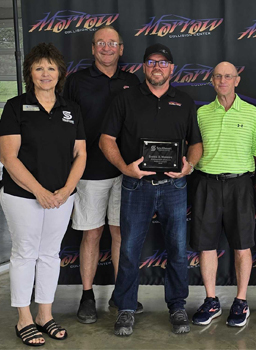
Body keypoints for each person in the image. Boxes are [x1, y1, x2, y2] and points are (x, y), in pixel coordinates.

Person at [99, 43, 203, 336]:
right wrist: (124, 167)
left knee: (178, 251)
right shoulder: (126, 99)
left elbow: (195, 143)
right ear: (143, 67)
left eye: (163, 62)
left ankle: (177, 305)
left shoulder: (184, 101)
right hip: (136, 185)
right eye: (151, 62)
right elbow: (106, 139)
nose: (157, 67)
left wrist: (189, 166)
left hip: (174, 186)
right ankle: (127, 308)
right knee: (130, 250)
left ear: (172, 68)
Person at [0, 43, 86, 346]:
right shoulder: (14, 106)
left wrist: (64, 191)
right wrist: (39, 191)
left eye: (51, 68)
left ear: (59, 73)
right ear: (30, 73)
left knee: (50, 255)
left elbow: (81, 154)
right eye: (39, 68)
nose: (45, 73)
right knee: (25, 254)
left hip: (62, 197)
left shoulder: (71, 109)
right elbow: (9, 157)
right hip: (23, 197)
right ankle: (24, 318)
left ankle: (44, 315)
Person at [63, 25, 141, 324]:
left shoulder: (132, 81)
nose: (107, 47)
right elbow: (65, 125)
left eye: (112, 43)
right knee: (92, 234)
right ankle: (87, 295)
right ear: (93, 48)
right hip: (88, 171)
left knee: (121, 234)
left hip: (127, 170)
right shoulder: (76, 81)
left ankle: (122, 296)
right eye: (100, 43)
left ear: (121, 49)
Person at [190, 61, 256, 328]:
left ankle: (241, 301)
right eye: (218, 76)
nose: (223, 80)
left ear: (237, 80)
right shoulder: (201, 114)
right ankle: (211, 300)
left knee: (242, 246)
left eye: (228, 76)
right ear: (212, 81)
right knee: (206, 245)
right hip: (206, 184)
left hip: (240, 185)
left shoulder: (253, 113)